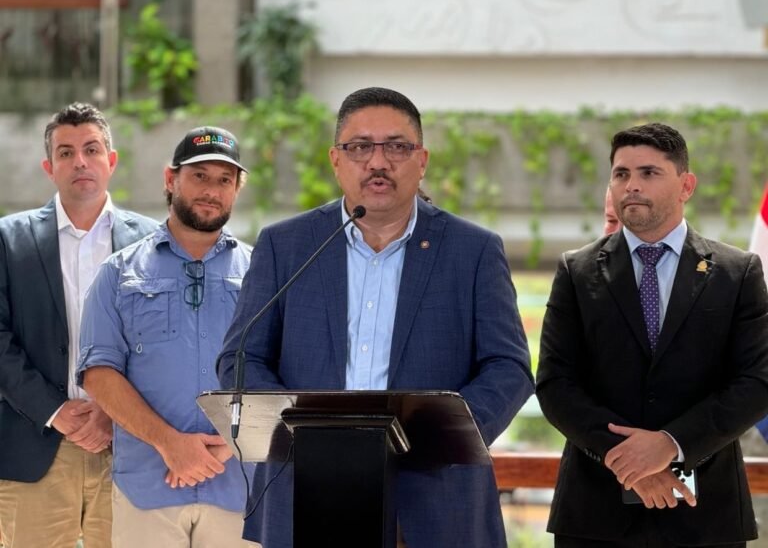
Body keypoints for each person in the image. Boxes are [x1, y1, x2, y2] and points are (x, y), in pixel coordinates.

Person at [216, 86, 535, 548]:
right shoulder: (286, 245)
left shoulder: (474, 250)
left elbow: (508, 368)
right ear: (336, 159)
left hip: (435, 496)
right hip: (309, 489)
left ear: (422, 160)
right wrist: (299, 432)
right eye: (360, 147)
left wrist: (445, 434)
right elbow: (241, 358)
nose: (378, 162)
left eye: (397, 147)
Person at [536, 122, 768, 547]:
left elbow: (756, 383)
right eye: (621, 174)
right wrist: (629, 462)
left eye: (648, 173)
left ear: (686, 185)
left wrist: (671, 445)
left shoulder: (738, 272)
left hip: (706, 515)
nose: (631, 186)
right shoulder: (576, 270)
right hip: (594, 515)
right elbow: (555, 384)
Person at [77, 127, 257, 548]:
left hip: (239, 487)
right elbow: (98, 373)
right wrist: (170, 443)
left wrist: (229, 446)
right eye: (199, 176)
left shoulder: (261, 274)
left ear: (236, 190)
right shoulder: (118, 273)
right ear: (170, 179)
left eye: (224, 180)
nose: (212, 190)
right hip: (147, 486)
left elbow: (281, 370)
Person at [0, 102, 157, 547]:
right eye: (65, 152)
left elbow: (162, 341)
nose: (79, 161)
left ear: (111, 160)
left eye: (91, 149)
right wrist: (57, 411)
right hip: (35, 445)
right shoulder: (8, 239)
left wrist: (113, 411)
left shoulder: (152, 242)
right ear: (49, 167)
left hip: (130, 449)